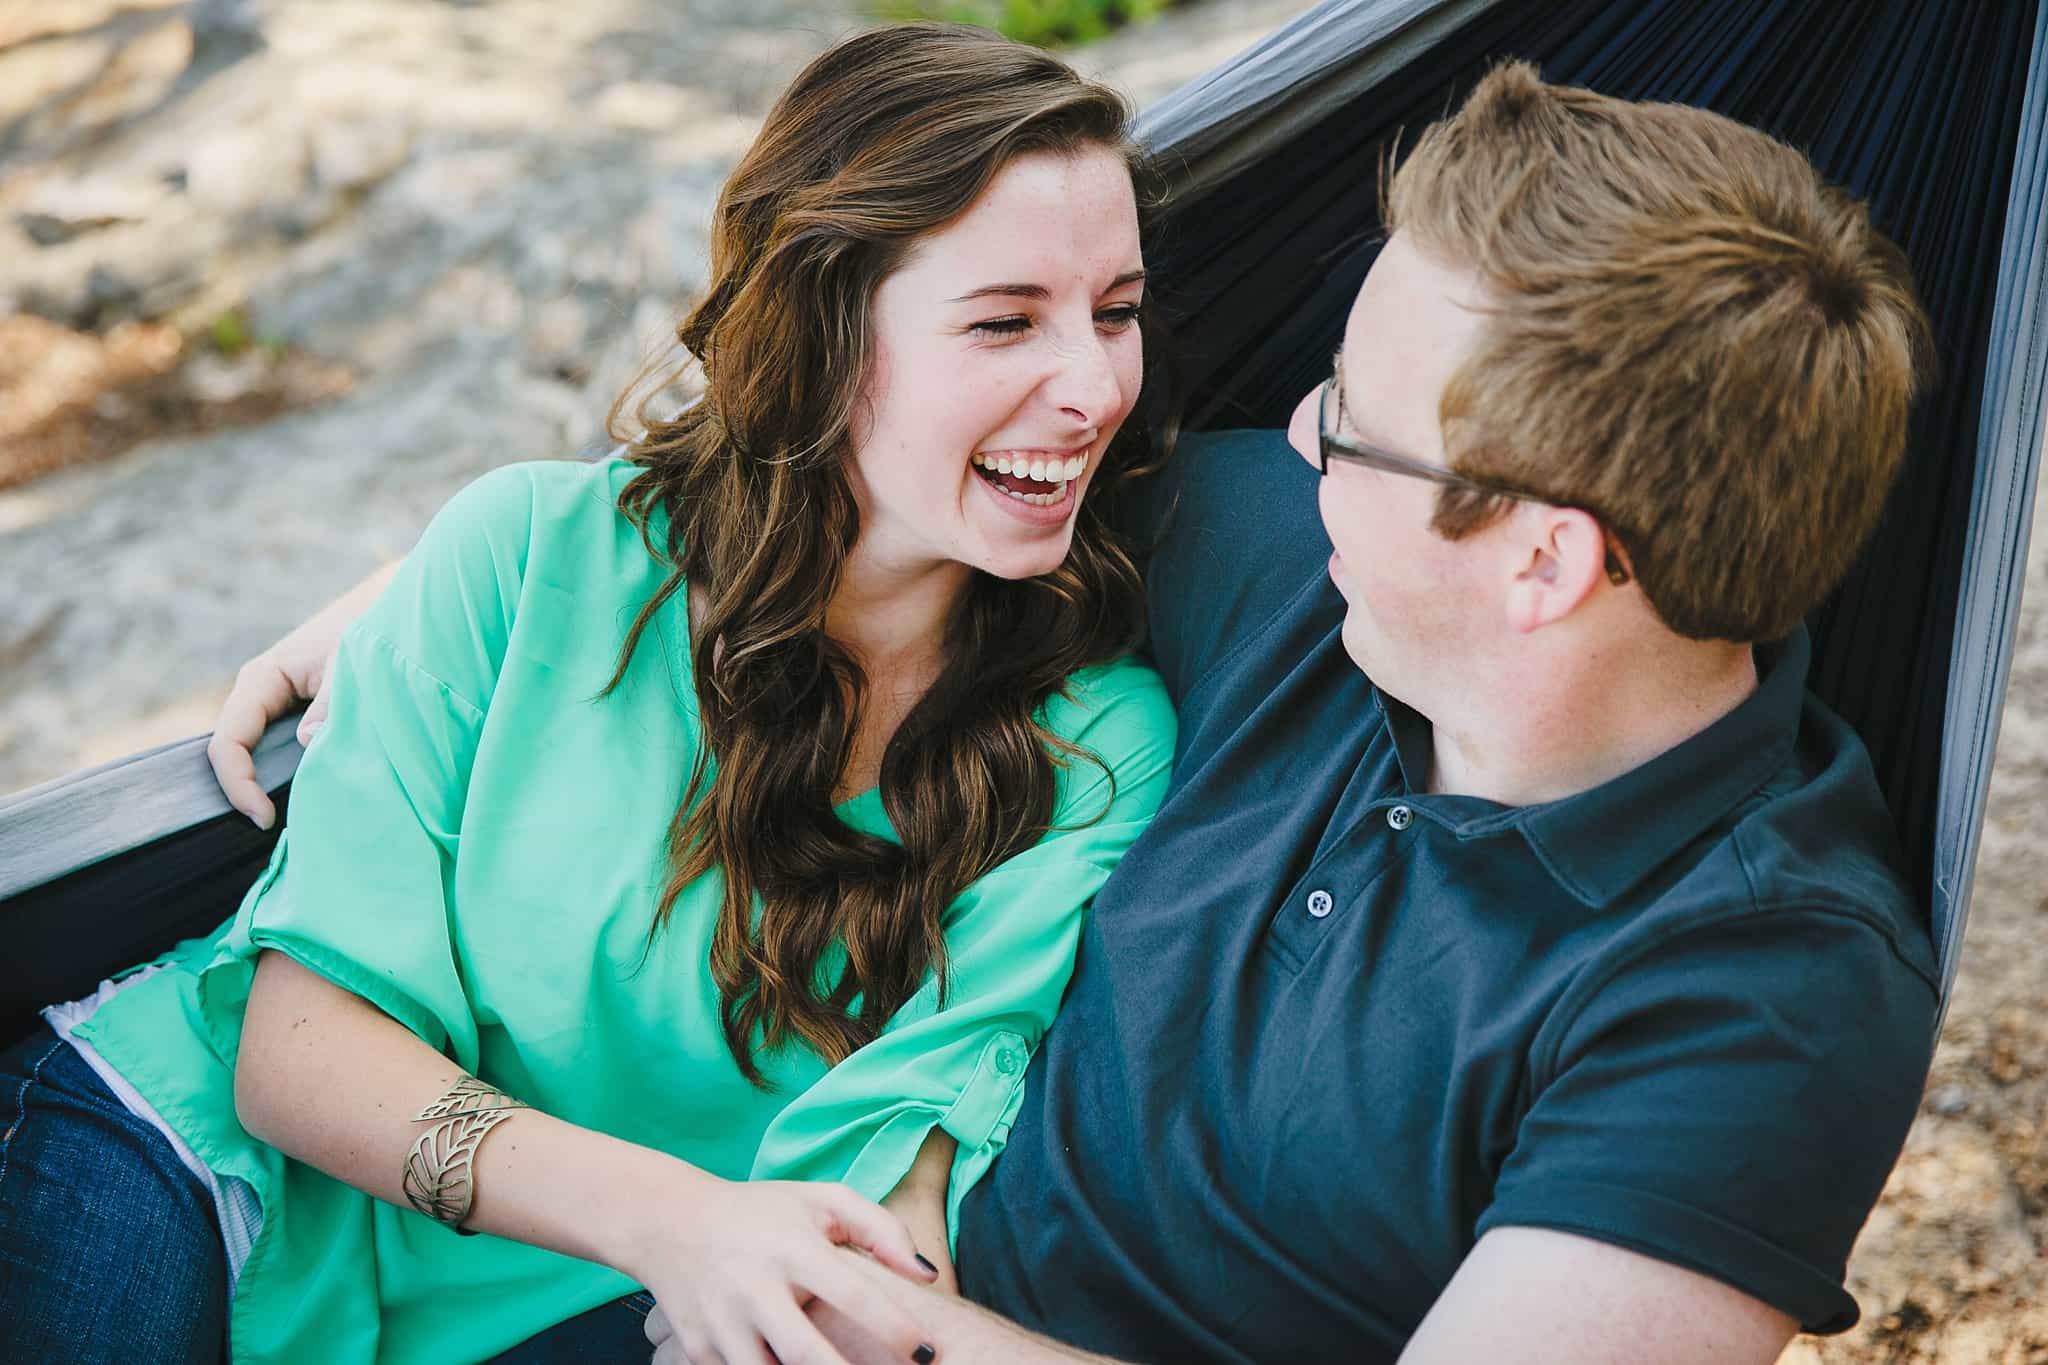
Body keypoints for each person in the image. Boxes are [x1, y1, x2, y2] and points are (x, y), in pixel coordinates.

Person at [221, 58, 1936, 1365]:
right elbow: (877, 451)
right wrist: (497, 564)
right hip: (736, 1265)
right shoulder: (1297, 564)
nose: (1295, 439)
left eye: (1352, 417)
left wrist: (891, 1329)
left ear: (1547, 561)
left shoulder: (1763, 991)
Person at [0, 25, 1178, 1365]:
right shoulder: (530, 558)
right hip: (194, 1170)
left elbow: (905, 1152)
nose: (1094, 386)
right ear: (827, 326)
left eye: (1118, 310)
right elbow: (293, 1054)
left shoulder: (1089, 747)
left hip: (542, 1317)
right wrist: (676, 1219)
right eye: (1006, 320)